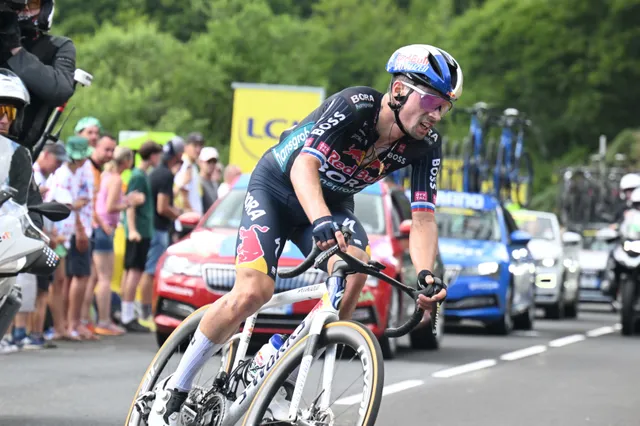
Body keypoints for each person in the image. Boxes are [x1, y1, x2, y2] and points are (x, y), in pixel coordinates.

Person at [148, 43, 461, 425]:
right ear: (398, 91)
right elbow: (303, 167)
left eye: (444, 108)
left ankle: (282, 376)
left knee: (355, 268)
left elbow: (424, 217)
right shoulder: (355, 105)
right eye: (431, 102)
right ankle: (174, 392)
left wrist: (426, 273)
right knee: (254, 292)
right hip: (278, 188)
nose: (437, 116)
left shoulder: (425, 145)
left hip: (331, 201)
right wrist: (320, 221)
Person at [0, 0, 76, 229]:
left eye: (29, 4)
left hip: (16, 157)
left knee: (30, 230)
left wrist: (15, 49)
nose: (21, 11)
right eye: (15, 5)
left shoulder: (58, 46)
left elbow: (60, 89)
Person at [93, 146, 144, 335]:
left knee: (96, 277)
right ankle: (104, 320)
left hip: (100, 228)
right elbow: (110, 206)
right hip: (105, 229)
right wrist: (130, 202)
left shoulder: (107, 176)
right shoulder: (115, 179)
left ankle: (93, 319)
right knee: (105, 278)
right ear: (126, 161)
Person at [121, 141, 163, 332]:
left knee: (133, 271)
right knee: (134, 271)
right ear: (153, 155)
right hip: (139, 231)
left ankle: (126, 312)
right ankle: (127, 315)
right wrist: (133, 230)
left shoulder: (141, 175)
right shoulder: (138, 176)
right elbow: (131, 204)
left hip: (143, 230)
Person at [198, 146, 220, 212]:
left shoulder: (215, 184)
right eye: (208, 162)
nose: (211, 164)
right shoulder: (197, 182)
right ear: (200, 162)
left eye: (214, 162)